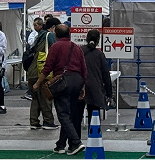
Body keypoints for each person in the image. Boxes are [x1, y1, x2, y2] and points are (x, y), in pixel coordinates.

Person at [33, 24, 87, 156]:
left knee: (63, 114)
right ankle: (61, 145)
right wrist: (83, 86)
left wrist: (38, 83)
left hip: (63, 82)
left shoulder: (55, 46)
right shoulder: (76, 47)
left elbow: (48, 67)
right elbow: (83, 67)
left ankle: (76, 142)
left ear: (56, 35)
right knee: (69, 115)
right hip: (77, 80)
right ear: (69, 34)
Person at [26, 17, 58, 130]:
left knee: (35, 98)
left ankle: (33, 122)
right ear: (53, 27)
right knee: (45, 97)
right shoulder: (50, 35)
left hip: (32, 71)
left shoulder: (38, 36)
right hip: (42, 71)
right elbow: (55, 51)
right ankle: (48, 122)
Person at [81, 29, 112, 124]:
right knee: (94, 116)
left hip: (80, 86)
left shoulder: (79, 51)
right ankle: (94, 135)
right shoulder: (99, 54)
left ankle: (75, 138)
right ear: (98, 40)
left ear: (86, 39)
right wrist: (109, 94)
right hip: (95, 87)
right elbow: (106, 75)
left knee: (76, 116)